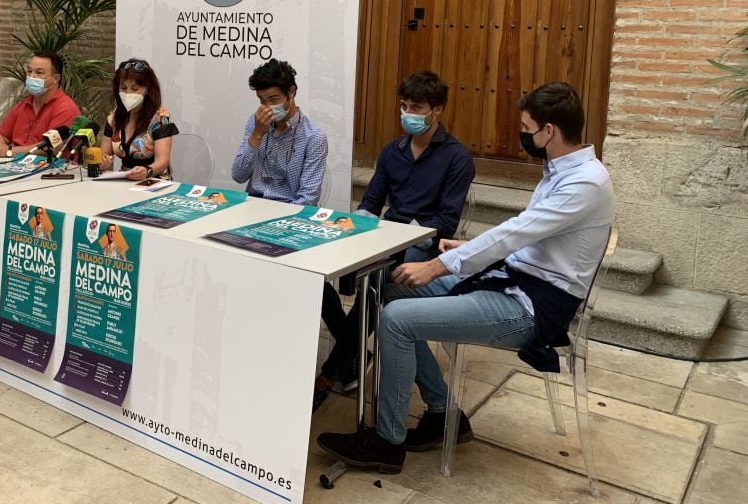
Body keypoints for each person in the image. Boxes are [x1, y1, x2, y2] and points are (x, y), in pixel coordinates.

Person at [317, 82, 615, 475]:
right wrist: (468, 247)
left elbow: (517, 233)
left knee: (397, 319)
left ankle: (387, 444)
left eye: (526, 129)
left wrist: (439, 265)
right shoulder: (562, 170)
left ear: (550, 132)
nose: (522, 135)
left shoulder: (585, 183)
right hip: (515, 281)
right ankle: (442, 412)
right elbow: (530, 237)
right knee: (390, 291)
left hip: (531, 307)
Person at [314, 71, 474, 410]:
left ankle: (330, 375)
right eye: (404, 106)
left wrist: (399, 234)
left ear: (437, 110)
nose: (408, 114)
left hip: (424, 248)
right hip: (386, 241)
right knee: (326, 272)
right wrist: (361, 227)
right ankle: (352, 363)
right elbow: (372, 203)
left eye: (416, 107)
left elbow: (446, 223)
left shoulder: (457, 158)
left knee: (375, 284)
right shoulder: (392, 152)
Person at [231, 59, 327, 206]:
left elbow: (308, 198)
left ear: (291, 92)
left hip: (289, 210)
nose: (267, 107)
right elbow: (238, 176)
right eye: (262, 100)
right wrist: (257, 135)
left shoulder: (313, 137)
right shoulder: (256, 122)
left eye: (273, 99)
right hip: (252, 205)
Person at [0, 51, 80, 156]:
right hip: (17, 165)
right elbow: (2, 135)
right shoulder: (23, 105)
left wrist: (8, 151)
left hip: (51, 168)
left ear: (55, 79)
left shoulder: (65, 108)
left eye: (39, 73)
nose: (32, 76)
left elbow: (53, 148)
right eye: (29, 71)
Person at [100, 59, 178, 181]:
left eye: (135, 88)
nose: (128, 93)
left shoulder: (160, 118)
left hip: (155, 181)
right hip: (124, 181)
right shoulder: (114, 117)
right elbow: (104, 154)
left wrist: (147, 171)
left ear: (147, 88)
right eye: (123, 88)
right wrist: (103, 161)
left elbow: (163, 161)